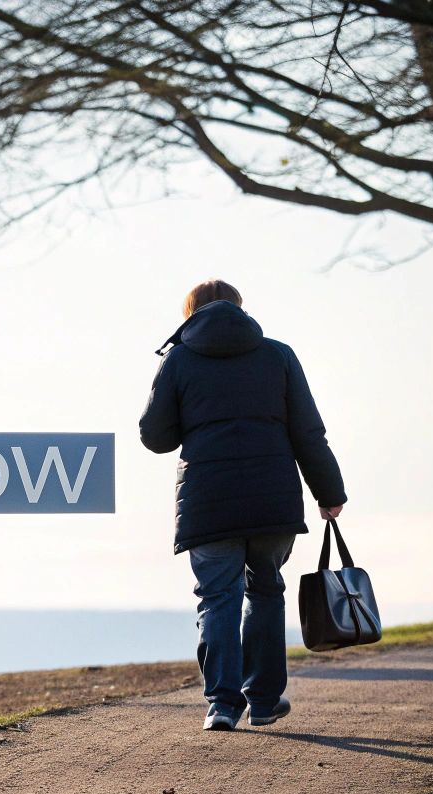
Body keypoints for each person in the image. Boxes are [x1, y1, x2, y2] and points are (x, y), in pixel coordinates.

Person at [138, 280, 346, 731]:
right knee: (266, 590)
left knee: (217, 599)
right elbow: (309, 432)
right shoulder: (278, 355)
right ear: (240, 309)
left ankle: (222, 706)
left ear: (190, 313)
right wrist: (329, 493)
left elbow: (155, 437)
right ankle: (266, 701)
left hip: (207, 500)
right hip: (272, 498)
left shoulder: (178, 359)